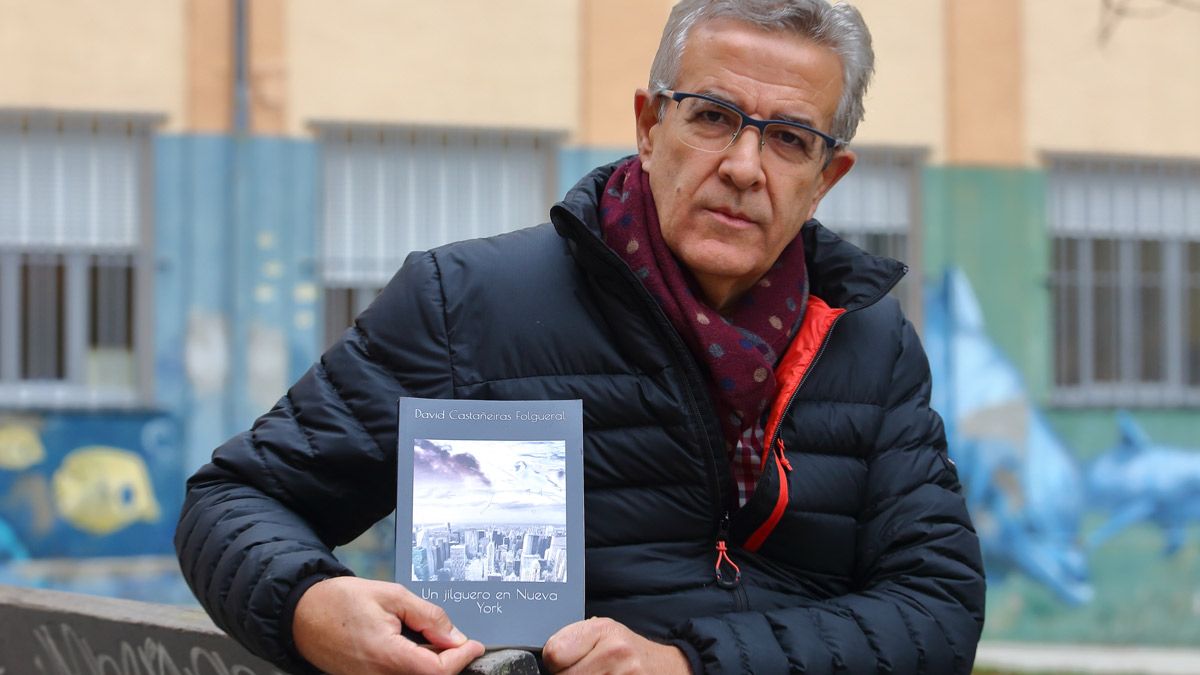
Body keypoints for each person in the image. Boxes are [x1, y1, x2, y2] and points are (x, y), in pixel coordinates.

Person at [175, 1, 986, 673]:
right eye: (712, 117)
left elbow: (937, 609)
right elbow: (236, 499)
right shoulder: (468, 305)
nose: (744, 166)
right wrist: (310, 604)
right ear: (648, 123)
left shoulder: (868, 338)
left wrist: (689, 663)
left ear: (826, 177)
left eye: (788, 138)